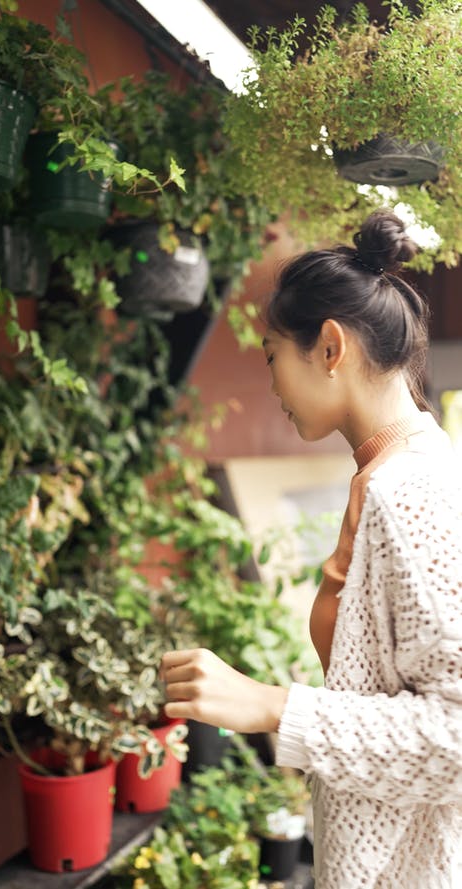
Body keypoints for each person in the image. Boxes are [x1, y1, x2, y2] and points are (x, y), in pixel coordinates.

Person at [160, 210, 462, 888]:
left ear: (329, 348)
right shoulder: (393, 473)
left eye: (271, 356)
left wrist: (273, 705)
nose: (271, 384)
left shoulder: (408, 493)